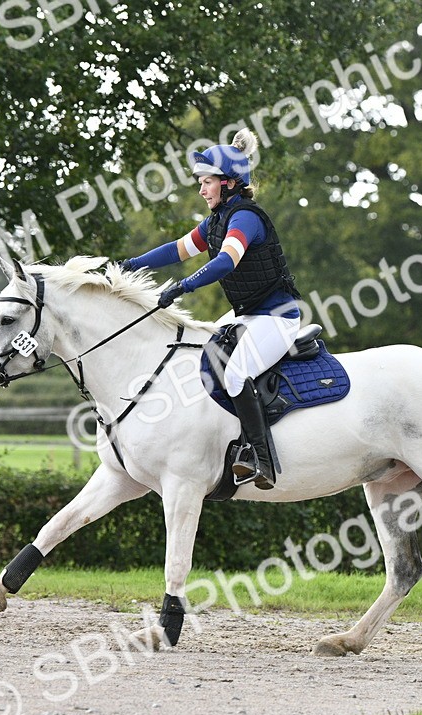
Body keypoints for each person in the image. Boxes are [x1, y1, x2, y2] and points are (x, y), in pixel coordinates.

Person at [118, 128, 302, 489]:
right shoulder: (217, 220)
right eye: (200, 183)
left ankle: (261, 459)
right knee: (201, 357)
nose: (202, 190)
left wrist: (184, 286)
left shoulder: (245, 218)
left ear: (230, 183)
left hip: (278, 317)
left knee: (234, 375)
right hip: (247, 313)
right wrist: (132, 263)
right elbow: (176, 250)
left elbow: (226, 262)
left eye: (207, 182)